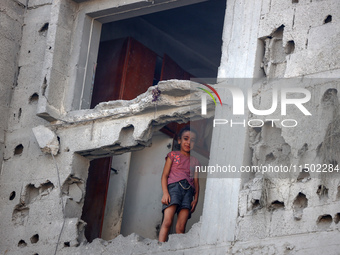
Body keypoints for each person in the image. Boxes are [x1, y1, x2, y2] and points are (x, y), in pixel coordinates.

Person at [158, 126, 200, 242]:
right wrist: (165, 193)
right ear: (180, 140)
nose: (188, 142)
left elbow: (196, 182)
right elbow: (164, 176)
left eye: (192, 140)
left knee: (180, 228)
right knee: (167, 222)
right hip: (173, 190)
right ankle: (160, 248)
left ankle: (177, 250)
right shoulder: (172, 155)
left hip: (188, 193)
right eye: (186, 138)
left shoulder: (196, 161)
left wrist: (195, 199)